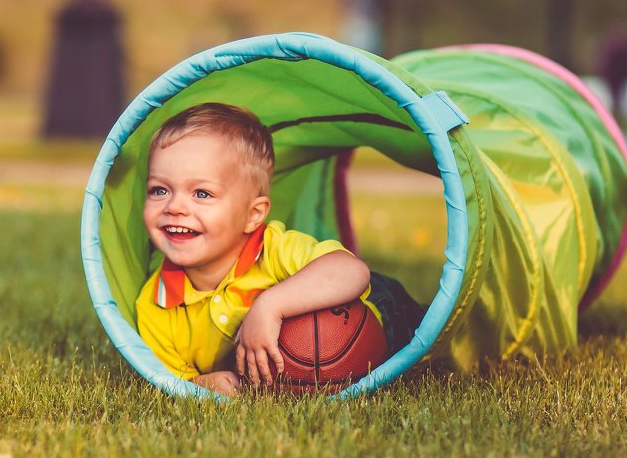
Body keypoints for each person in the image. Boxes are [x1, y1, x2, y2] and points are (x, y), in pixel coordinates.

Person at [134, 102, 425, 397]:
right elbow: (168, 378)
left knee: (428, 336)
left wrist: (269, 306)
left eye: (202, 193)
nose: (174, 207)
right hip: (307, 362)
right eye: (160, 190)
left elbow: (353, 271)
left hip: (377, 315)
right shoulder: (154, 306)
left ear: (253, 215)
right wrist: (200, 382)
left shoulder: (274, 248)